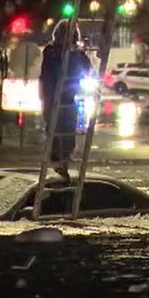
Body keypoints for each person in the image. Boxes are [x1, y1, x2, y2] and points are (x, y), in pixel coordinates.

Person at [39, 19, 92, 180]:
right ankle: (57, 161)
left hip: (66, 98)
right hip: (53, 97)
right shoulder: (52, 52)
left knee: (67, 131)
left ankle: (63, 161)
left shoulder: (76, 54)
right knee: (55, 130)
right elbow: (51, 74)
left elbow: (87, 69)